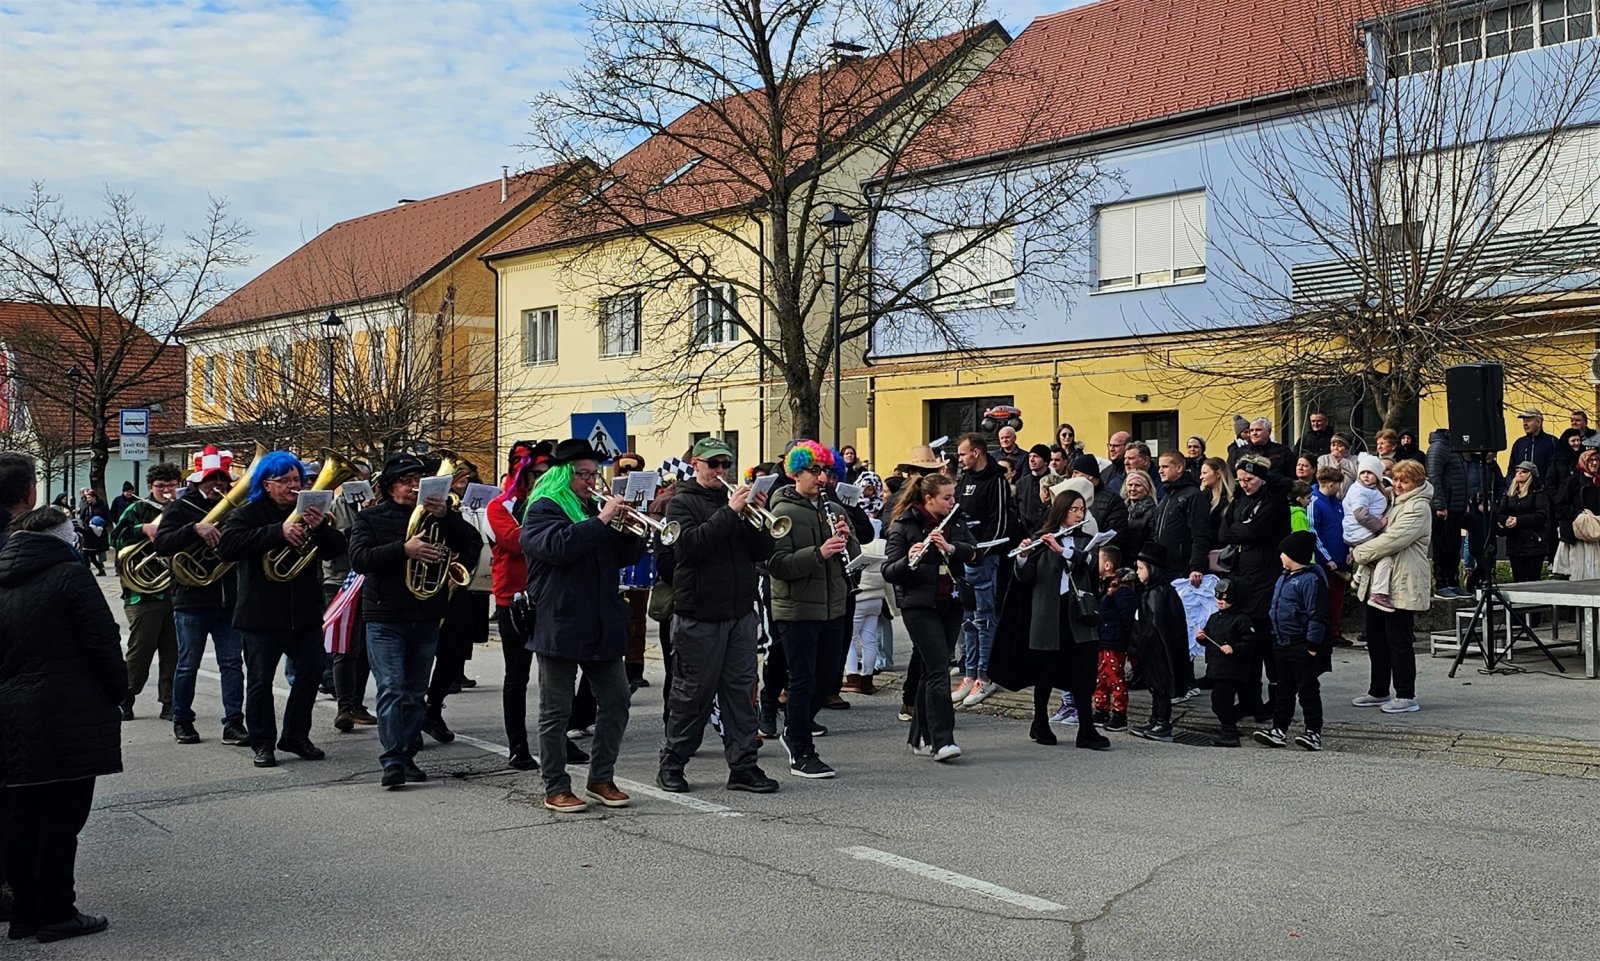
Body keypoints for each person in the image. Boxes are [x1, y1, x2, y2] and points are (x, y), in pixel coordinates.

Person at [0, 507, 123, 943]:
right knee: (63, 817)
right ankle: (57, 910)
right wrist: (117, 692)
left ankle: (24, 913)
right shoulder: (70, 575)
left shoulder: (4, 575)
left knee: (24, 813)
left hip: (14, 709)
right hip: (69, 709)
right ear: (63, 535)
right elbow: (102, 640)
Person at [521, 438, 643, 812]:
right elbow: (558, 548)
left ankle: (601, 777)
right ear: (563, 474)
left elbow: (620, 556)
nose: (591, 481)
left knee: (617, 700)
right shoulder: (543, 509)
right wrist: (602, 520)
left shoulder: (591, 509)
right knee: (556, 710)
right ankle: (555, 784)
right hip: (560, 620)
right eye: (583, 474)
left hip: (601, 619)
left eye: (594, 473)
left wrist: (629, 529)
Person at [655, 437, 780, 795]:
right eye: (714, 465)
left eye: (726, 464)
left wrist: (758, 517)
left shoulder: (735, 505)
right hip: (699, 615)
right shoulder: (681, 503)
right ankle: (673, 763)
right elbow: (690, 548)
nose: (721, 471)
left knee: (740, 694)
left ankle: (743, 766)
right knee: (691, 695)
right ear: (696, 465)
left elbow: (761, 552)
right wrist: (731, 513)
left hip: (739, 613)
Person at [349, 453, 481, 788]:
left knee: (414, 692)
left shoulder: (438, 516)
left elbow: (472, 543)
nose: (413, 487)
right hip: (384, 615)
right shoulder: (371, 518)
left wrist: (448, 518)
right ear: (391, 486)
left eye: (418, 481)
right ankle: (393, 759)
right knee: (392, 686)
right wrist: (403, 550)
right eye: (406, 481)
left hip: (426, 613)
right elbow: (360, 559)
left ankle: (407, 756)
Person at [216, 450, 344, 768]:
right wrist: (277, 532)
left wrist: (320, 529)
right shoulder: (249, 513)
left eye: (297, 479)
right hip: (260, 613)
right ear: (267, 484)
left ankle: (296, 735)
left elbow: (337, 550)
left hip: (304, 612)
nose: (293, 485)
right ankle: (262, 742)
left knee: (311, 674)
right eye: (284, 480)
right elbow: (227, 546)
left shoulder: (310, 511)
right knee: (260, 682)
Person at [992, 488, 1110, 750]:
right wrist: (1022, 558)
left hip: (1077, 613)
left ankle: (1087, 729)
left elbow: (1089, 563)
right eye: (1075, 510)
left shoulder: (1083, 540)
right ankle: (1040, 722)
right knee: (1044, 671)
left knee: (1082, 670)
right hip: (1047, 614)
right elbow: (1025, 578)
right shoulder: (1040, 539)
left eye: (1082, 510)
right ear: (1062, 511)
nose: (1080, 514)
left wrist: (1062, 551)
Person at [766, 441, 849, 779]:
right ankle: (800, 748)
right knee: (802, 679)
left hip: (833, 605)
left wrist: (846, 537)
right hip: (797, 607)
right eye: (814, 471)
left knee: (828, 678)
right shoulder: (782, 510)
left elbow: (851, 555)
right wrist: (819, 553)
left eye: (825, 471)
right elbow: (777, 563)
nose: (822, 478)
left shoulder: (833, 508)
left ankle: (794, 729)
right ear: (795, 473)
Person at [152, 459, 248, 746]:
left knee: (232, 664)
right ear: (197, 481)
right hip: (191, 598)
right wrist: (194, 529)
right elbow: (162, 544)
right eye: (210, 479)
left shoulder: (237, 509)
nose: (217, 484)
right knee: (187, 664)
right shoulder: (181, 509)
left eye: (221, 478)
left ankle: (233, 723)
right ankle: (182, 720)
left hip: (228, 598)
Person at [882, 473, 976, 761]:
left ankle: (918, 736)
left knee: (928, 670)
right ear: (928, 499)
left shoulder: (955, 521)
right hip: (919, 605)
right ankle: (942, 740)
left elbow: (975, 553)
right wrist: (911, 558)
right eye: (947, 497)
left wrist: (951, 548)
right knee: (938, 669)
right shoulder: (904, 525)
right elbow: (889, 570)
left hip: (951, 602)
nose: (953, 502)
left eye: (953, 496)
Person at [1350, 459, 1434, 714]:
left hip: (1402, 581)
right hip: (1383, 581)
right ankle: (1378, 690)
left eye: (1404, 481)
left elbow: (1393, 539)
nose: (1398, 485)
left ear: (1417, 483)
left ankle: (1406, 695)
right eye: (1396, 480)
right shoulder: (1396, 502)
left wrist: (1359, 553)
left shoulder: (1419, 507)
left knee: (1398, 639)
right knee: (1375, 638)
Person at [419, 457, 491, 745]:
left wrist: (462, 554)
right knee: (418, 659)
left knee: (453, 653)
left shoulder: (452, 512)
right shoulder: (410, 513)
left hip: (451, 589)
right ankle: (411, 715)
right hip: (418, 593)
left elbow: (473, 542)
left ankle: (433, 708)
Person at [488, 441, 548, 770]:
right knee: (517, 676)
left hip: (550, 595)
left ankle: (560, 735)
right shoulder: (501, 505)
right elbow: (512, 541)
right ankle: (518, 745)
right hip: (514, 598)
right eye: (535, 474)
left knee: (560, 674)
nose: (541, 480)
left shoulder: (558, 501)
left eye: (546, 474)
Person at [108, 462, 183, 721]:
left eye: (172, 486)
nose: (166, 491)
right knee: (141, 649)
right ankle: (126, 698)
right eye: (161, 486)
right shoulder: (138, 508)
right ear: (150, 487)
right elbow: (115, 538)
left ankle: (170, 701)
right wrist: (144, 529)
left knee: (173, 649)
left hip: (176, 588)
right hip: (143, 591)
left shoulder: (183, 509)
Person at [1220, 455, 1291, 720]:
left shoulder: (1274, 502)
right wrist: (1243, 529)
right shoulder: (1239, 498)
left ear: (1261, 478)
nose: (1244, 484)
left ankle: (1275, 700)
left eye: (1249, 479)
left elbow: (1255, 532)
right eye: (1240, 480)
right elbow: (1225, 531)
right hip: (1241, 577)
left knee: (1266, 644)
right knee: (1244, 642)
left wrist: (1243, 530)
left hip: (1265, 577)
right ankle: (1248, 698)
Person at [951, 432, 1016, 708]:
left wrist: (980, 551)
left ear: (976, 452)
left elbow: (1000, 523)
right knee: (968, 619)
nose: (960, 459)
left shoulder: (996, 481)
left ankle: (985, 675)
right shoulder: (965, 480)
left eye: (963, 454)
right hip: (964, 559)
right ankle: (969, 672)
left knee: (984, 619)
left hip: (985, 560)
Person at [1253, 531, 1330, 751]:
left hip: (1301, 644)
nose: (1280, 556)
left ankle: (1313, 731)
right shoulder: (1283, 577)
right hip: (1281, 642)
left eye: (1283, 553)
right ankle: (1279, 729)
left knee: (1308, 689)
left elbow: (1317, 614)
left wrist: (1313, 645)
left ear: (1294, 555)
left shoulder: (1310, 580)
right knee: (1283, 689)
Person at [324, 467, 377, 733]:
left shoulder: (375, 505)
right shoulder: (334, 507)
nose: (359, 483)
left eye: (363, 478)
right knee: (345, 645)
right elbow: (332, 545)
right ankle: (344, 706)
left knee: (364, 647)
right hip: (340, 581)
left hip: (368, 581)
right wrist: (362, 521)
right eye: (352, 479)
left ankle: (357, 703)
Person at [1128, 542, 1187, 742]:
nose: (1137, 572)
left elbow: (1156, 626)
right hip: (1153, 649)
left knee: (1161, 686)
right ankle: (1155, 719)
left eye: (1141, 568)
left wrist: (1140, 644)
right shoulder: (1154, 590)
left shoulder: (1158, 593)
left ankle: (1163, 722)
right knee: (1154, 685)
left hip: (1158, 650)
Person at [1195, 578, 1254, 747]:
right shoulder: (1214, 618)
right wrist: (1202, 638)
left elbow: (1250, 642)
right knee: (1220, 701)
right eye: (1218, 596)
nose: (1220, 600)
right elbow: (1208, 636)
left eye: (1225, 597)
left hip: (1232, 670)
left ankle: (1229, 732)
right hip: (1216, 668)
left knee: (1220, 701)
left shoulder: (1242, 620)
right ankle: (1227, 727)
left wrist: (1234, 648)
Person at [1090, 544, 1136, 732]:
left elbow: (1127, 617)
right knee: (1100, 677)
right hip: (1102, 638)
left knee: (1115, 677)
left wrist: (1124, 638)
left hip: (1114, 640)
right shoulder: (1103, 586)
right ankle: (1101, 709)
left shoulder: (1122, 590)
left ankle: (1119, 713)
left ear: (1107, 565)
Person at [1343, 454, 1394, 610]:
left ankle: (1358, 578)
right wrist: (1378, 525)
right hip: (1362, 533)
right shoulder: (1359, 491)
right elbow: (1361, 515)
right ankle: (1379, 593)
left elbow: (1379, 496)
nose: (1365, 476)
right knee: (1383, 558)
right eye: (1363, 473)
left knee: (1373, 558)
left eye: (1370, 473)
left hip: (1361, 532)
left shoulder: (1371, 489)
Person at [1424, 428, 1468, 599]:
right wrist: (1440, 505)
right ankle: (1442, 584)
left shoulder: (1452, 448)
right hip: (1444, 508)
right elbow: (1434, 477)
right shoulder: (1438, 447)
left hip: (1455, 507)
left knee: (1453, 546)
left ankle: (1453, 582)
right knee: (1442, 546)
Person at [1308, 467, 1350, 643]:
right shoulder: (1315, 502)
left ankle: (1335, 632)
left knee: (1337, 599)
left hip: (1340, 560)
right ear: (1332, 484)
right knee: (1323, 600)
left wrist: (1349, 550)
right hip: (1324, 563)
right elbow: (1313, 533)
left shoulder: (1337, 502)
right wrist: (1327, 558)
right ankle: (1323, 634)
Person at [1552, 442, 1600, 580]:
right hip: (1578, 534)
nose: (1594, 463)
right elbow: (1560, 506)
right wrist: (1579, 514)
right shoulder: (1573, 482)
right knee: (1580, 570)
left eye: (1597, 459)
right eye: (1591, 460)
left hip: (1597, 533)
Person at [1496, 463, 1550, 583]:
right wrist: (1506, 520)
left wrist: (1518, 521)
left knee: (1532, 579)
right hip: (1514, 542)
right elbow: (1500, 512)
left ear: (1531, 474)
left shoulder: (1538, 491)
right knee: (1518, 579)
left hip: (1534, 541)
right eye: (1518, 471)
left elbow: (1542, 515)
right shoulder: (1510, 491)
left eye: (1524, 471)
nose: (1519, 473)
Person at [1073, 454, 1127, 547]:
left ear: (1090, 475)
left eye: (1076, 473)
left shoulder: (1112, 500)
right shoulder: (1074, 496)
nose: (1073, 477)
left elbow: (1116, 534)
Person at [1509, 409, 1558, 487]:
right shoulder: (1519, 443)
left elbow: (1557, 469)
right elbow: (1511, 469)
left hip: (1545, 493)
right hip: (1522, 494)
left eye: (1528, 420)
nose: (1525, 424)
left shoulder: (1552, 442)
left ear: (1539, 423)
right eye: (1524, 421)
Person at [1119, 469, 1157, 563]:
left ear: (1147, 488)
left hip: (1140, 563)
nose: (1133, 489)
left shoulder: (1152, 512)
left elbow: (1153, 542)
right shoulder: (1121, 510)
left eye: (1138, 485)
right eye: (1130, 485)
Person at [1016, 444, 1051, 532]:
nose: (1031, 460)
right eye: (1030, 456)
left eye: (1036, 456)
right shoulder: (1021, 483)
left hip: (1047, 531)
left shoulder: (1054, 482)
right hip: (1024, 533)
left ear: (1045, 461)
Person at [1199, 456, 1233, 546]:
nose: (1201, 477)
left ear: (1218, 474)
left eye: (1204, 473)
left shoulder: (1233, 499)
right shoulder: (1201, 498)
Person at [75, 489, 108, 575]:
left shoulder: (101, 506)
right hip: (88, 530)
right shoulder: (86, 506)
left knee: (89, 553)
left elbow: (106, 517)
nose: (88, 499)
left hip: (96, 531)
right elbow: (82, 516)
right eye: (87, 498)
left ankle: (91, 569)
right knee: (91, 555)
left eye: (89, 498)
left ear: (94, 497)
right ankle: (99, 569)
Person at [1317, 432, 1359, 497]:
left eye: (1340, 446)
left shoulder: (1355, 459)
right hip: (1327, 497)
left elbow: (1357, 476)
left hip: (1348, 498)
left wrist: (1342, 461)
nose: (1335, 448)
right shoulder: (1323, 459)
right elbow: (1321, 476)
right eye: (1333, 445)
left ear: (1347, 449)